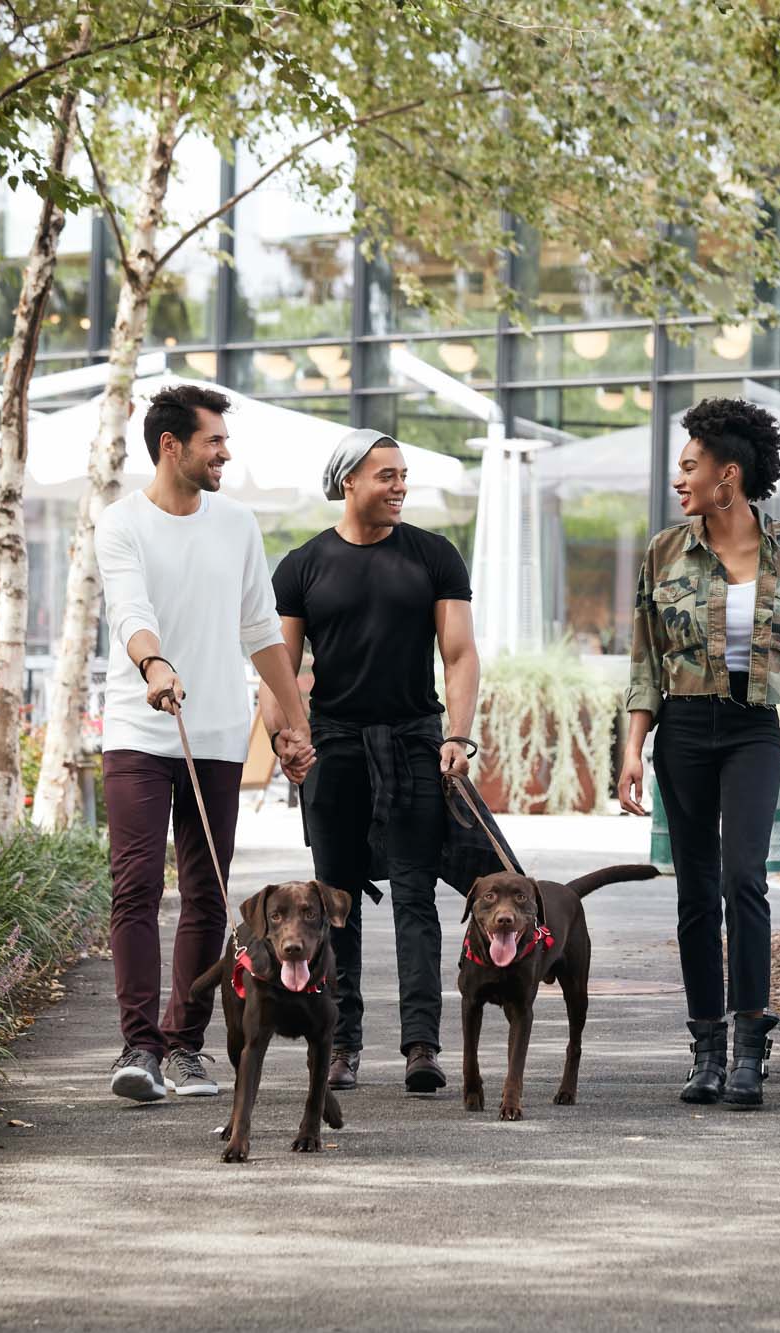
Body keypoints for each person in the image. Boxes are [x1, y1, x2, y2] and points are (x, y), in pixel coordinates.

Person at [616, 398, 780, 1111]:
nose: (679, 480)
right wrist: (632, 748)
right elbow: (645, 664)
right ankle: (707, 1050)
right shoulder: (665, 551)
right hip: (683, 732)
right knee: (694, 892)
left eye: (689, 466)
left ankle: (752, 1044)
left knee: (745, 878)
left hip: (754, 731)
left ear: (729, 475)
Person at [93, 384, 314, 1103]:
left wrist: (293, 721)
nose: (226, 453)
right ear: (171, 446)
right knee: (133, 887)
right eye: (214, 441)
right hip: (137, 726)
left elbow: (261, 629)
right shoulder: (120, 523)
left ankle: (185, 1045)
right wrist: (153, 664)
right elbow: (132, 607)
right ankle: (139, 1047)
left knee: (205, 896)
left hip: (216, 732)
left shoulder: (238, 524)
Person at [260, 428, 479, 1096]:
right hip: (333, 744)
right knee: (335, 901)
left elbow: (461, 653)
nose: (400, 487)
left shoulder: (435, 555)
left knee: (416, 893)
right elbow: (280, 669)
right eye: (387, 475)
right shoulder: (302, 566)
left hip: (414, 741)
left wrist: (457, 735)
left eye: (403, 475)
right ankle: (342, 1043)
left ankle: (420, 1045)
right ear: (348, 480)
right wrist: (285, 737)